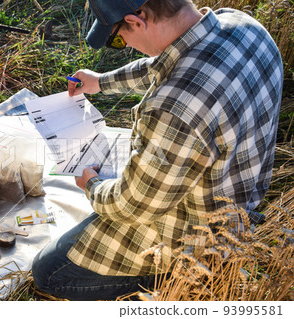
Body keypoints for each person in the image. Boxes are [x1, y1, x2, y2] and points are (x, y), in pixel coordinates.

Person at [32, 0, 283, 300]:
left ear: (136, 21)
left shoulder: (174, 110)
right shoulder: (244, 26)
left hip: (195, 235)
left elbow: (130, 206)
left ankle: (181, 283)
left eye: (117, 38)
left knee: (49, 271)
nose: (123, 44)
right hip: (238, 195)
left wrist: (92, 184)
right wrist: (100, 82)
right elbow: (166, 63)